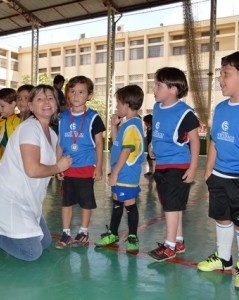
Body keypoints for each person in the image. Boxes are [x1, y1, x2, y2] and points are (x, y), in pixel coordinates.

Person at [0, 84, 72, 261]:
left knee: (44, 242)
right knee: (31, 252)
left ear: (56, 104)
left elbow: (46, 165)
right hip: (7, 198)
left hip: (27, 199)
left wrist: (56, 171)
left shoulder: (52, 134)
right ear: (31, 106)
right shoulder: (29, 128)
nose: (46, 101)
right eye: (39, 98)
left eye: (50, 98)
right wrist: (57, 168)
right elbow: (32, 170)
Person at [197, 51, 239, 289]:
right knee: (222, 217)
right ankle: (224, 258)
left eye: (226, 73)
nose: (220, 78)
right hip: (219, 175)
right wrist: (208, 169)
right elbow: (215, 140)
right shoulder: (221, 107)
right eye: (219, 73)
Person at [147, 67, 200, 262]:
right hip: (161, 165)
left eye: (158, 85)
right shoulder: (157, 108)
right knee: (173, 205)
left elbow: (194, 140)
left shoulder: (184, 112)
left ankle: (169, 246)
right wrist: (152, 146)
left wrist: (193, 167)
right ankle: (178, 241)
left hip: (177, 166)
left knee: (170, 207)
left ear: (173, 89)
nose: (154, 89)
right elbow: (158, 130)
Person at [55, 75, 105, 249]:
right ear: (67, 94)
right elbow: (60, 143)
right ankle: (66, 232)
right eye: (73, 91)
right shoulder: (62, 117)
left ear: (89, 95)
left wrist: (99, 167)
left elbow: (99, 143)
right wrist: (57, 165)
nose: (76, 96)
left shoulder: (93, 117)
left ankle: (83, 232)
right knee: (66, 201)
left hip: (85, 167)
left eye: (81, 92)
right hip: (67, 166)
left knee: (85, 202)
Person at [95, 85, 145, 252]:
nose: (116, 106)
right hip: (120, 170)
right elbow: (117, 143)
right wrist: (114, 125)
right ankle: (113, 233)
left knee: (129, 203)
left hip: (126, 172)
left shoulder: (132, 125)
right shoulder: (127, 124)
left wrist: (115, 173)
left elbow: (126, 150)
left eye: (118, 103)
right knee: (117, 200)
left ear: (126, 104)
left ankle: (132, 236)